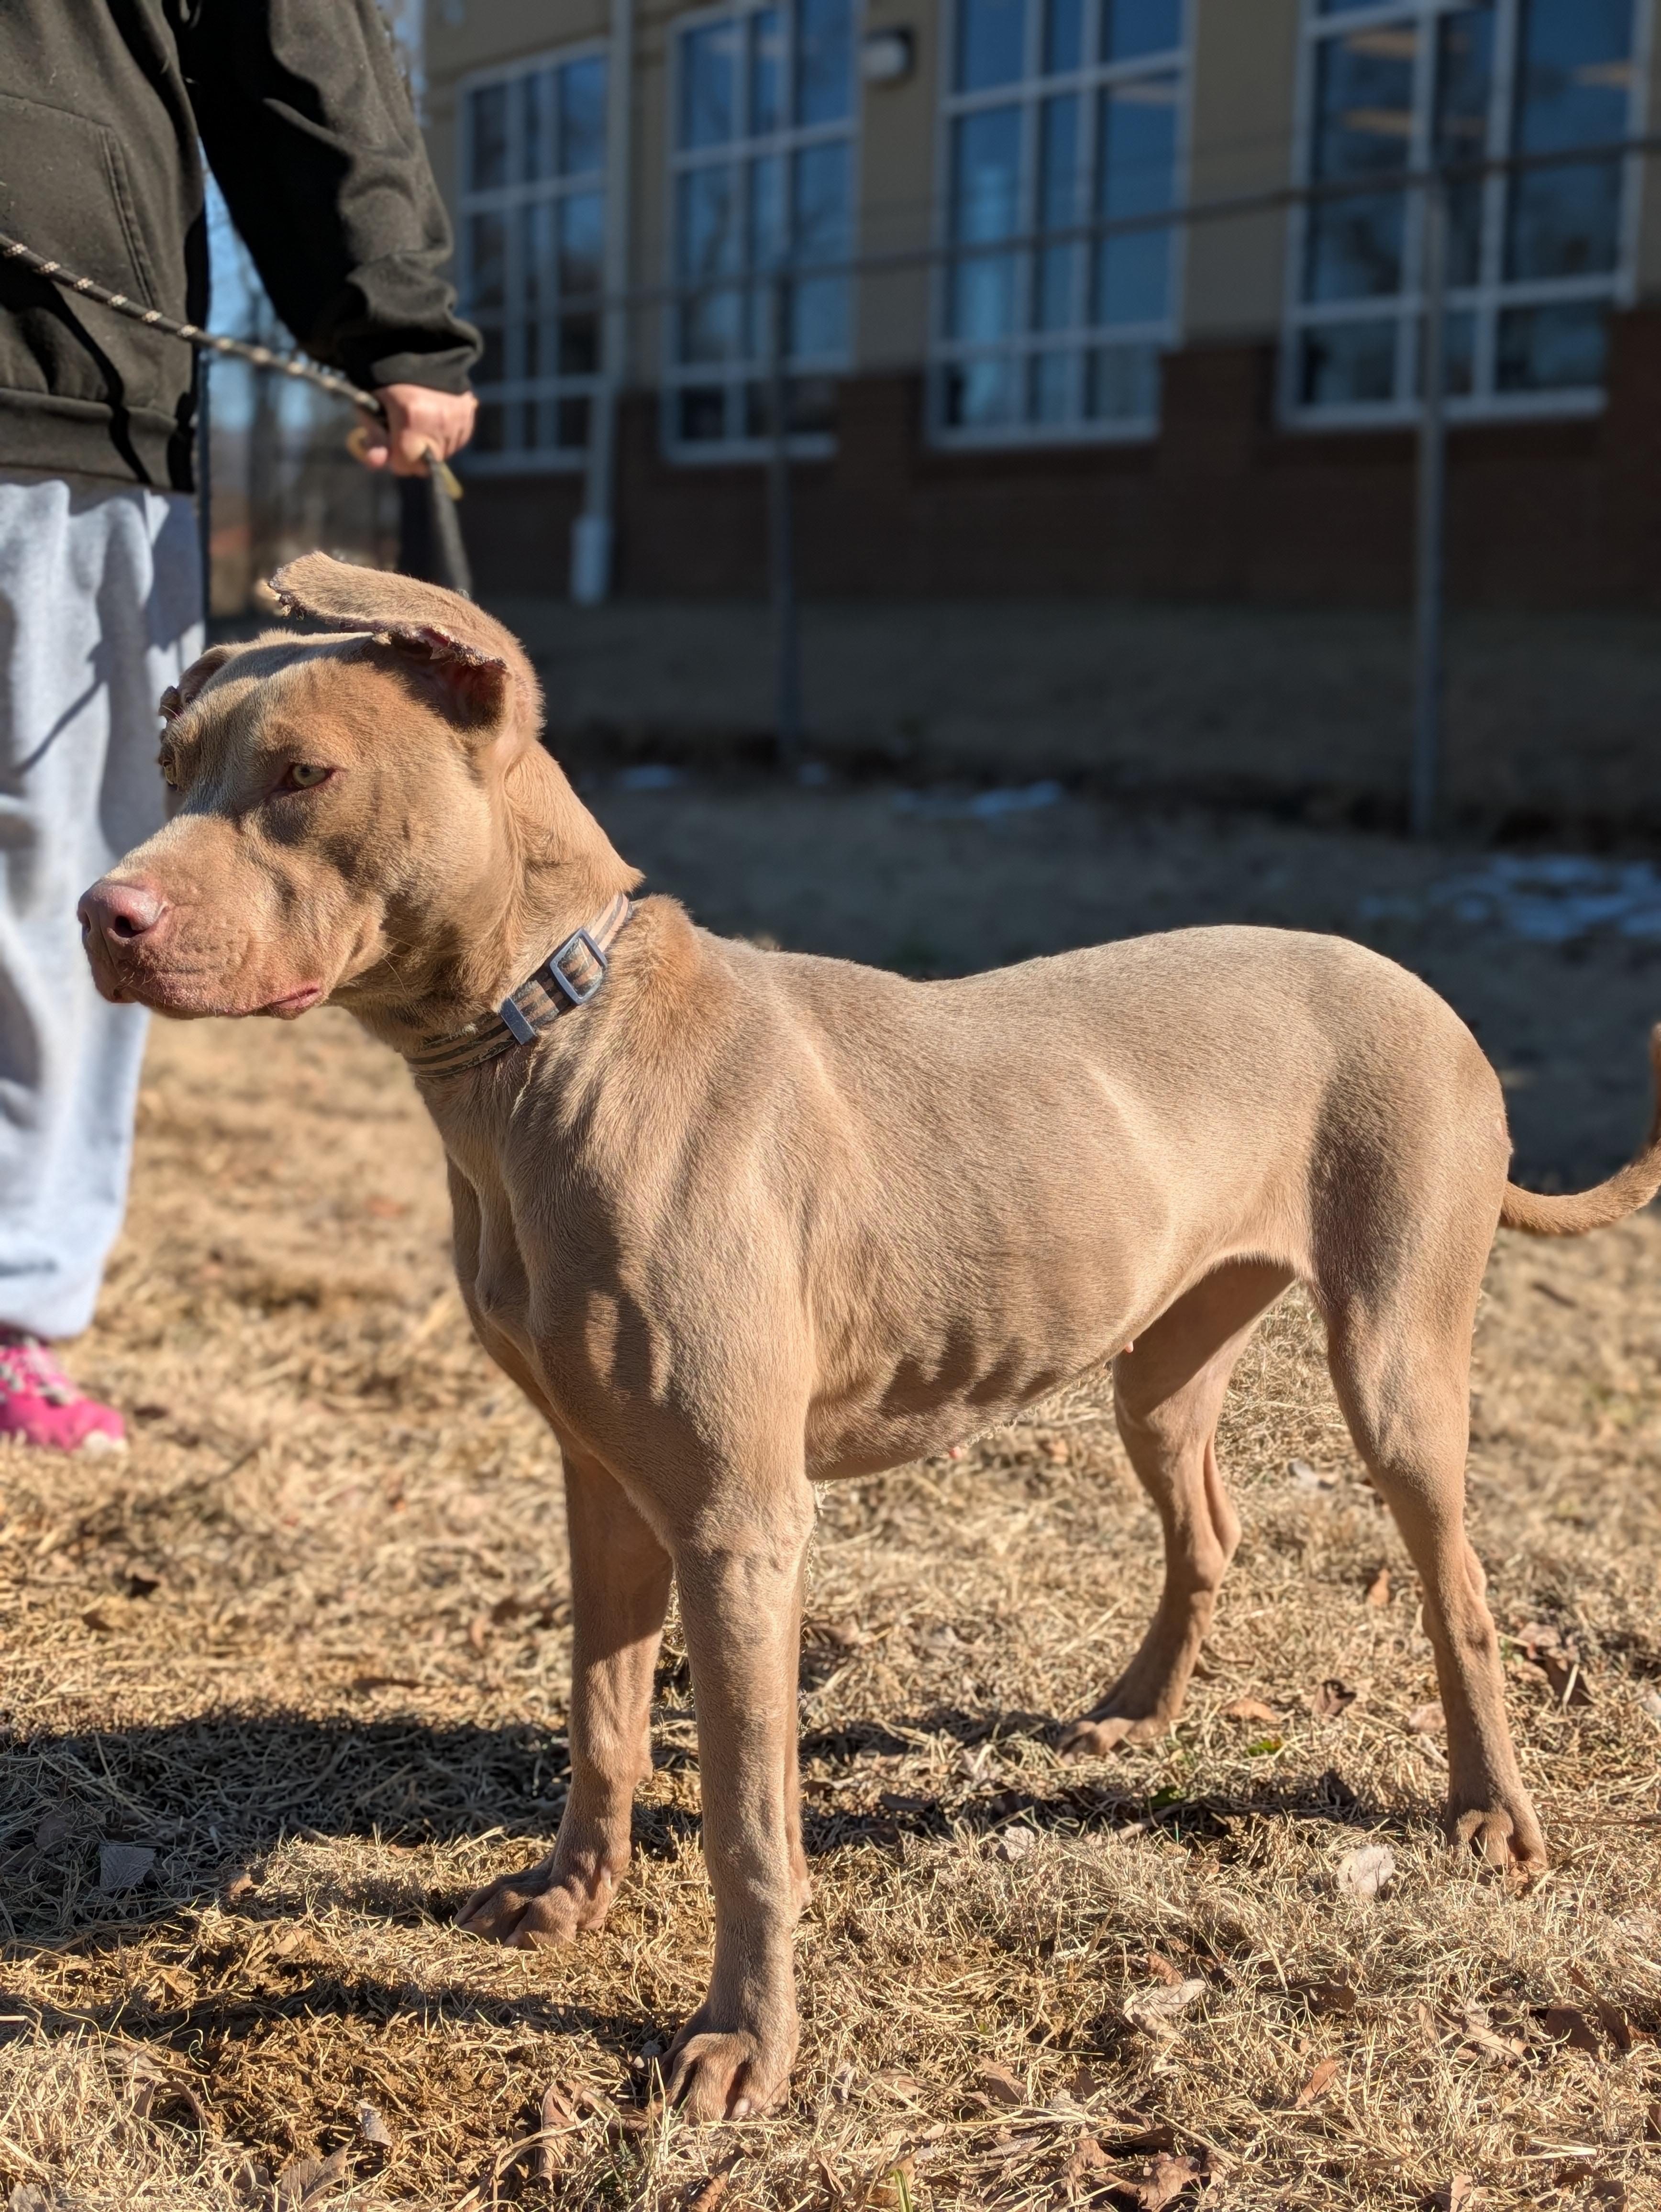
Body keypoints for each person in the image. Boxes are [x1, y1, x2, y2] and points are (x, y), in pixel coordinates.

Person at [0, 2, 479, 1449]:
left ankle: (12, 1304)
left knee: (51, 868)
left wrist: (386, 308)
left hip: (56, 380)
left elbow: (286, 28)